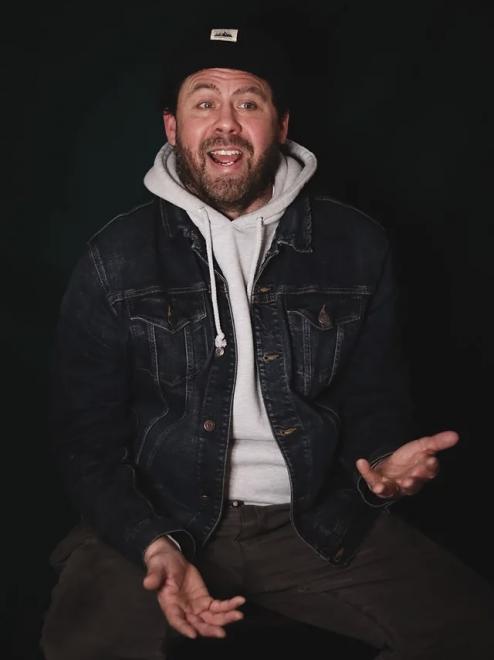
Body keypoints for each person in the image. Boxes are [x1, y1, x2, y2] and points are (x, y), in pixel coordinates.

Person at [41, 25, 494, 660]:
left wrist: (384, 466)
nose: (226, 123)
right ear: (172, 127)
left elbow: (375, 399)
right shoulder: (114, 258)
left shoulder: (357, 245)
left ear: (280, 125)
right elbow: (85, 442)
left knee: (472, 628)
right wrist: (149, 541)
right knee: (86, 643)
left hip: (311, 519)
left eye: (248, 102)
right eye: (204, 102)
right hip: (159, 517)